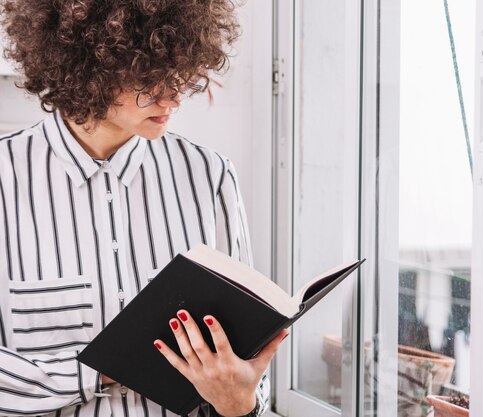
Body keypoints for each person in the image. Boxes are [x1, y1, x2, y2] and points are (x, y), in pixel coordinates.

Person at [0, 1, 287, 416]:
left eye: (178, 73)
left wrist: (241, 403)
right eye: (147, 76)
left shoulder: (210, 176)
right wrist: (105, 371)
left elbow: (244, 359)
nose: (172, 96)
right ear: (88, 67)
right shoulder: (6, 181)